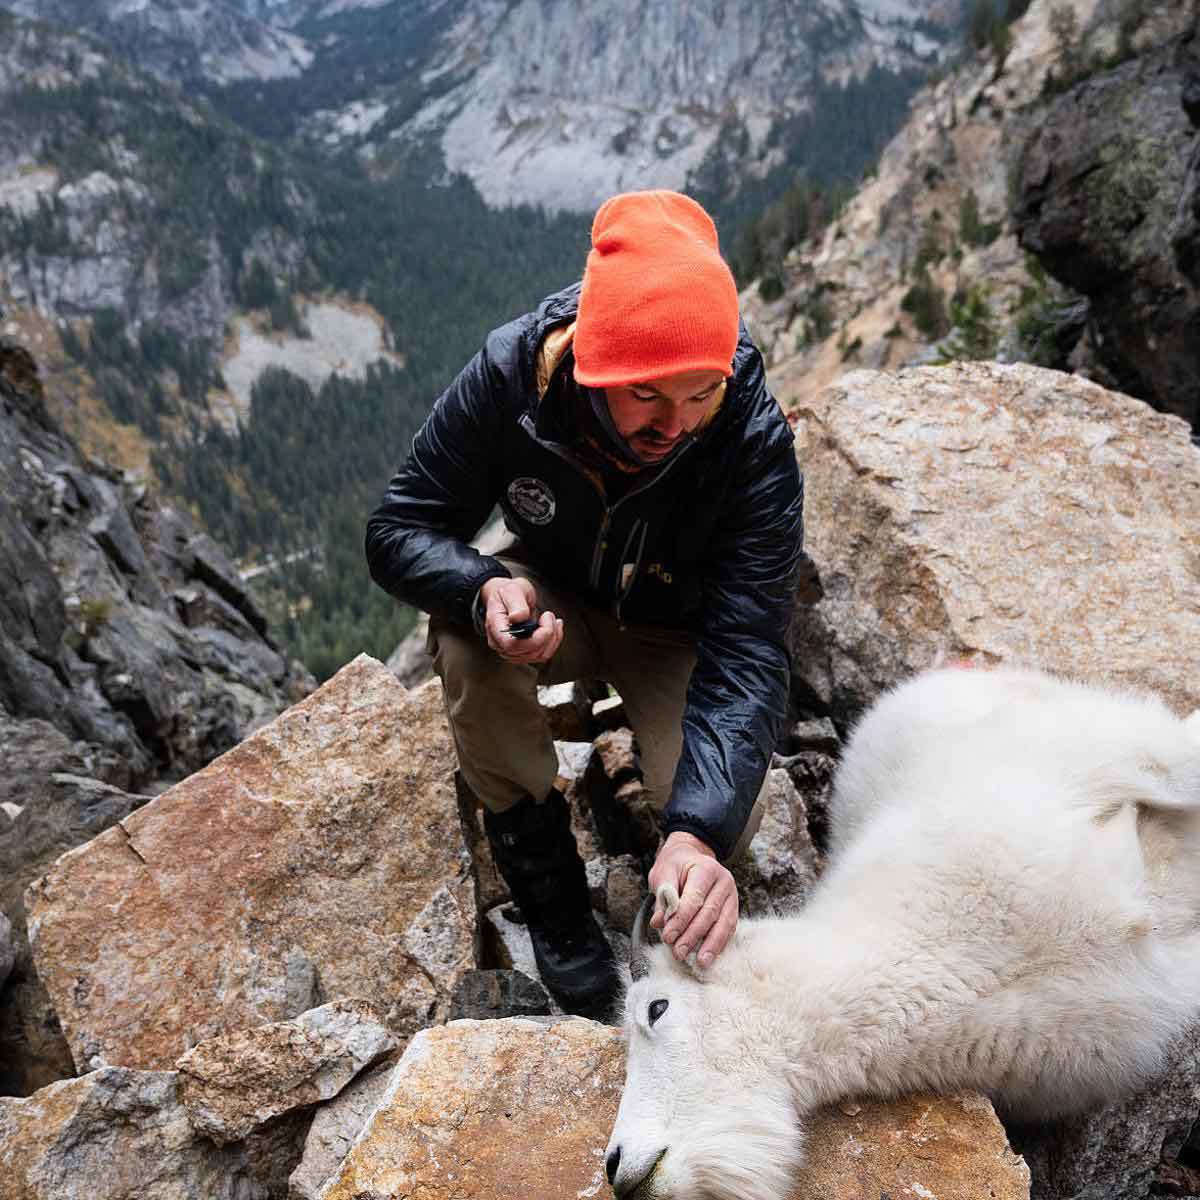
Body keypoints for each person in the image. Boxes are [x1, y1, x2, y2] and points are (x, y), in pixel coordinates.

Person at [366, 189, 805, 1017]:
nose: (675, 424)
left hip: (675, 624)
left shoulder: (749, 437)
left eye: (699, 394)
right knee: (467, 641)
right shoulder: (513, 376)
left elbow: (749, 647)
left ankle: (664, 874)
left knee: (721, 822)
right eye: (646, 395)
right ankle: (551, 891)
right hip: (554, 586)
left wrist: (698, 832)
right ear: (594, 362)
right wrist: (482, 585)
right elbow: (399, 527)